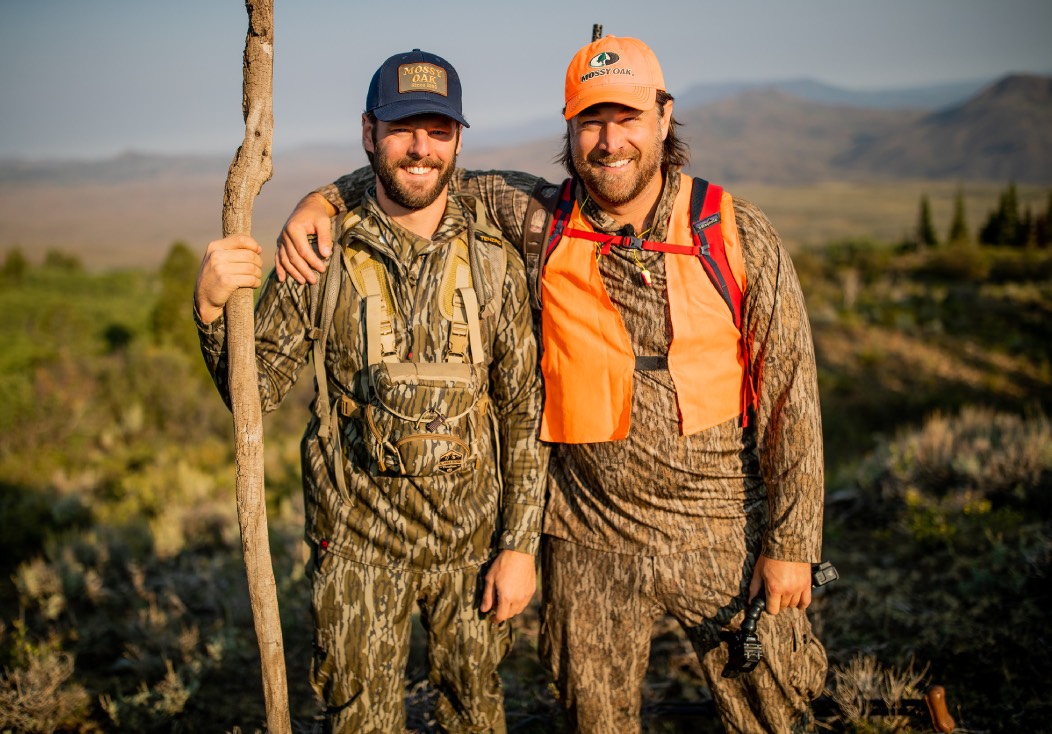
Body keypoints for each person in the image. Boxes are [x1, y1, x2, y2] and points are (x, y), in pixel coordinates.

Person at [275, 35, 827, 734]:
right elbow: (419, 172)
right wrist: (321, 200)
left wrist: (791, 545)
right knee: (593, 719)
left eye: (627, 118)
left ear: (664, 117)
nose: (609, 141)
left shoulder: (736, 231)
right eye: (590, 122)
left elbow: (792, 400)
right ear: (568, 131)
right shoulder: (537, 220)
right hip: (588, 539)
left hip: (723, 530)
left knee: (772, 711)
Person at [193, 49, 548, 733]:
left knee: (476, 714)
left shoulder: (493, 255)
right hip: (356, 551)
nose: (420, 148)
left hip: (470, 552)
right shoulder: (318, 253)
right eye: (401, 128)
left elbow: (522, 409)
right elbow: (253, 394)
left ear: (458, 140)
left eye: (438, 130)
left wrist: (520, 546)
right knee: (359, 721)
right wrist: (211, 314)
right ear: (368, 133)